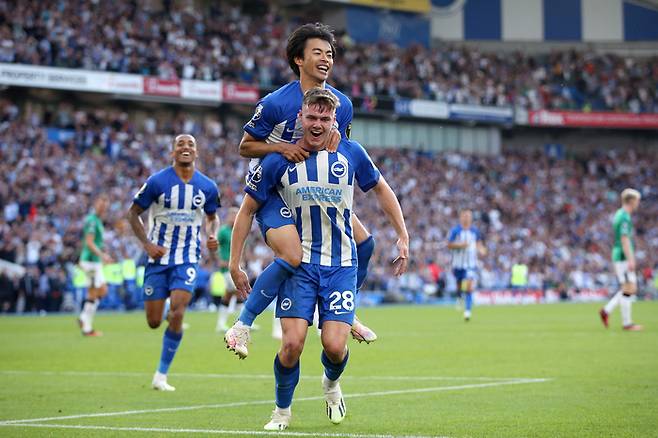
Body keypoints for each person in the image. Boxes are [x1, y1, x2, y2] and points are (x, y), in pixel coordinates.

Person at [229, 89, 409, 430]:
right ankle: (281, 412)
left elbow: (383, 189)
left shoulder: (351, 153)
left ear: (334, 121)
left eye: (325, 118)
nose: (317, 123)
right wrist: (233, 260)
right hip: (301, 269)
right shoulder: (281, 159)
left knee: (335, 348)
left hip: (341, 266)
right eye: (311, 117)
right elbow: (248, 210)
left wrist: (403, 234)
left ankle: (331, 383)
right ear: (300, 118)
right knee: (292, 345)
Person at [225, 23, 377, 355]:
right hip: (275, 189)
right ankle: (243, 324)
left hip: (315, 189)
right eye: (318, 53)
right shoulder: (277, 103)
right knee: (293, 254)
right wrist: (281, 149)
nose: (326, 59)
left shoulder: (342, 104)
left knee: (364, 244)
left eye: (330, 54)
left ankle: (345, 311)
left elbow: (340, 150)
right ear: (298, 59)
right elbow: (245, 146)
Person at [126, 134, 220, 391]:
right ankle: (166, 311)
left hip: (187, 257)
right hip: (158, 258)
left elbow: (212, 217)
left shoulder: (208, 186)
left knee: (178, 311)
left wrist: (211, 234)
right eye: (181, 144)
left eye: (191, 144)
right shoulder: (157, 181)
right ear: (173, 152)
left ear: (197, 153)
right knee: (154, 322)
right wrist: (146, 244)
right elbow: (133, 213)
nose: (186, 147)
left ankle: (161, 375)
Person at [599, 188, 643, 331]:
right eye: (637, 201)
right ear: (631, 201)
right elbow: (624, 239)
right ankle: (626, 323)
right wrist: (631, 259)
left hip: (618, 254)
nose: (638, 204)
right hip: (623, 256)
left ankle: (607, 311)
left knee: (628, 289)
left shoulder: (619, 214)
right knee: (629, 288)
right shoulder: (624, 217)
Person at [77, 195, 113, 336]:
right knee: (95, 292)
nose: (103, 207)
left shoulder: (97, 220)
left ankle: (83, 318)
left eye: (105, 205)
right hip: (90, 262)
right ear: (96, 204)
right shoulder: (92, 220)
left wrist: (103, 255)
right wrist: (102, 255)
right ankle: (87, 328)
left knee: (101, 291)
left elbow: (96, 242)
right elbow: (89, 242)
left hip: (94, 262)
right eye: (101, 204)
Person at [447, 209, 486, 321]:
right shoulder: (456, 231)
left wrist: (482, 250)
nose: (466, 218)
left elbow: (479, 244)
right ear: (460, 217)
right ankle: (459, 296)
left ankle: (467, 312)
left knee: (469, 286)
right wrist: (460, 245)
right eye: (464, 216)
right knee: (459, 284)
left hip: (470, 264)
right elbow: (449, 245)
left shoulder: (475, 231)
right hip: (458, 263)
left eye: (469, 216)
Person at [215, 207, 243, 332]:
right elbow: (215, 246)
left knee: (229, 294)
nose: (235, 217)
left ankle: (221, 324)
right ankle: (242, 322)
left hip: (236, 265)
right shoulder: (223, 231)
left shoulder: (238, 230)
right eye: (233, 215)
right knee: (239, 290)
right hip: (226, 266)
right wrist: (218, 259)